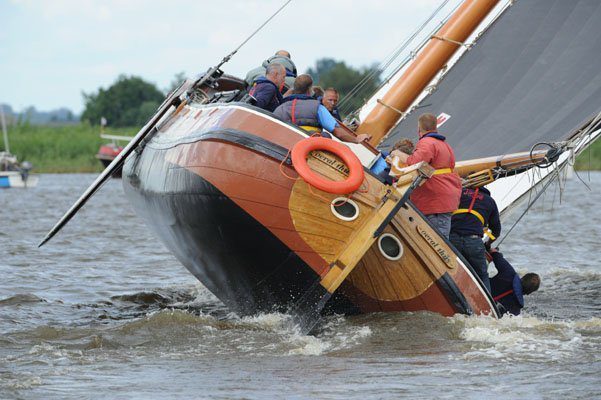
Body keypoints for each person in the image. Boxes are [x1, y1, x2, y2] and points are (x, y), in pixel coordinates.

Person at [391, 113, 461, 238]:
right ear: (436, 127)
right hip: (445, 197)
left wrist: (397, 154)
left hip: (435, 200)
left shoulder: (427, 143)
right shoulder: (445, 145)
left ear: (419, 129)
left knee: (436, 239)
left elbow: (414, 162)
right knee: (441, 237)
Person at [273, 74, 370, 144]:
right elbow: (338, 133)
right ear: (309, 90)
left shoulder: (280, 109)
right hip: (310, 151)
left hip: (286, 150)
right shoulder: (317, 107)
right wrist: (356, 139)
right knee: (326, 136)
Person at [450, 185, 501, 292]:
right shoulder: (490, 201)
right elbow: (496, 231)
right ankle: (486, 306)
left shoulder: (459, 192)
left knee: (451, 271)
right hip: (473, 241)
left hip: (452, 239)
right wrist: (488, 244)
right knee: (482, 275)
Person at [489, 247, 540, 316]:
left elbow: (495, 255)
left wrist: (496, 252)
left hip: (479, 293)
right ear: (528, 293)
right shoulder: (516, 310)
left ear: (522, 278)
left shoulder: (509, 273)